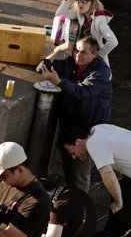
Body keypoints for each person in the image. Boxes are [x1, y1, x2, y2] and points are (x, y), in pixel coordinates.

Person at [39, 36, 112, 191]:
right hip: (69, 123)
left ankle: (81, 205)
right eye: (77, 51)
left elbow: (83, 92)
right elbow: (41, 68)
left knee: (80, 170)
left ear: (95, 54)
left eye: (84, 52)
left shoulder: (102, 72)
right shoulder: (70, 62)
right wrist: (57, 50)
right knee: (66, 161)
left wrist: (58, 81)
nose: (78, 55)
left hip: (89, 128)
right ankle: (67, 197)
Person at [48, 0, 117, 65]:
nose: (81, 4)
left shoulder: (99, 20)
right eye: (79, 0)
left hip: (94, 59)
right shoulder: (81, 14)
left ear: (93, 3)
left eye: (85, 0)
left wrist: (98, 56)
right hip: (81, 54)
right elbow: (59, 15)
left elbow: (113, 41)